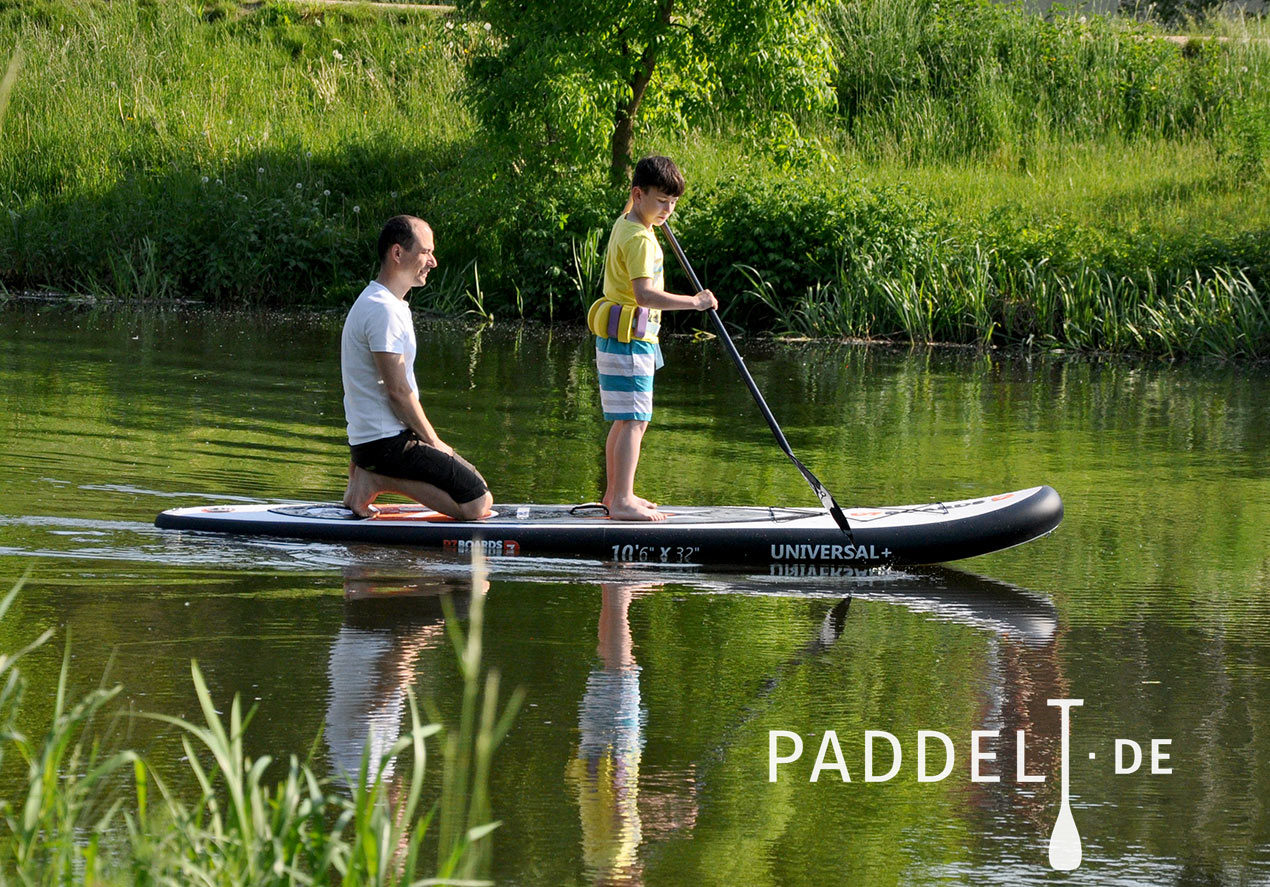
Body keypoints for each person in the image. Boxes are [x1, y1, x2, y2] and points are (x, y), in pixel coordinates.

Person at [586, 156, 717, 521]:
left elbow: (637, 208)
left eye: (673, 203)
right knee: (634, 420)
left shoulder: (625, 223)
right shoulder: (640, 239)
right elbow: (644, 295)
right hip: (630, 341)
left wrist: (652, 211)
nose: (668, 210)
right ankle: (622, 500)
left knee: (625, 418)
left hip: (621, 339)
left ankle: (615, 496)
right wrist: (696, 302)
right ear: (638, 195)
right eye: (661, 201)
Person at [341, 215, 492, 521]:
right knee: (477, 503)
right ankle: (375, 480)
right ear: (397, 253)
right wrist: (433, 442)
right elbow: (398, 391)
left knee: (476, 489)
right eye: (425, 252)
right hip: (384, 443)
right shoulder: (382, 309)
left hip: (374, 443)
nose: (432, 262)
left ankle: (365, 478)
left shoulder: (383, 303)